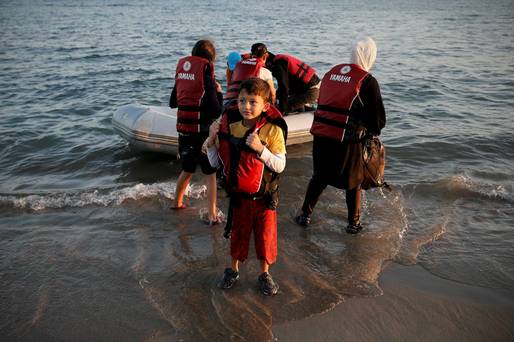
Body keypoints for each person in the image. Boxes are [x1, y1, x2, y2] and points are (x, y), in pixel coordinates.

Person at [295, 37, 386, 234]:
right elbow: (379, 121)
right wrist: (369, 131)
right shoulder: (368, 81)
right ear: (370, 56)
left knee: (319, 177)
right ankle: (353, 224)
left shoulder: (331, 73)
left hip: (321, 138)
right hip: (347, 142)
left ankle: (304, 215)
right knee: (354, 182)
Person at [205, 78, 287, 295]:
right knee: (237, 236)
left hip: (264, 199)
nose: (246, 106)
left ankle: (264, 273)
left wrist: (261, 149)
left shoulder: (272, 131)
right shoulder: (230, 127)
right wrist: (210, 142)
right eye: (242, 101)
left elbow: (279, 165)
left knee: (265, 239)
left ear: (265, 106)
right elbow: (215, 163)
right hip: (239, 199)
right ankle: (233, 270)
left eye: (253, 102)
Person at [169, 39, 223, 224]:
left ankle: (177, 203)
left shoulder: (182, 77)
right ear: (210, 60)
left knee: (187, 169)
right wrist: (219, 92)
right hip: (202, 134)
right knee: (210, 175)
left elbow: (172, 103)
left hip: (184, 132)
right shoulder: (207, 80)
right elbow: (216, 110)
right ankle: (212, 215)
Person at [255, 43, 321, 114]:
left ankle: (311, 115)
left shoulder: (279, 65)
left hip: (311, 90)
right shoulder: (275, 61)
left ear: (265, 57)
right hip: (302, 90)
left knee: (283, 107)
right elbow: (283, 89)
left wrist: (282, 110)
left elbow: (284, 87)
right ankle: (306, 112)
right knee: (287, 102)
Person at [223, 45, 276, 114]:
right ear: (266, 56)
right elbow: (272, 95)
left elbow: (229, 85)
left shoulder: (239, 66)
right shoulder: (265, 71)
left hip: (227, 103)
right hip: (244, 107)